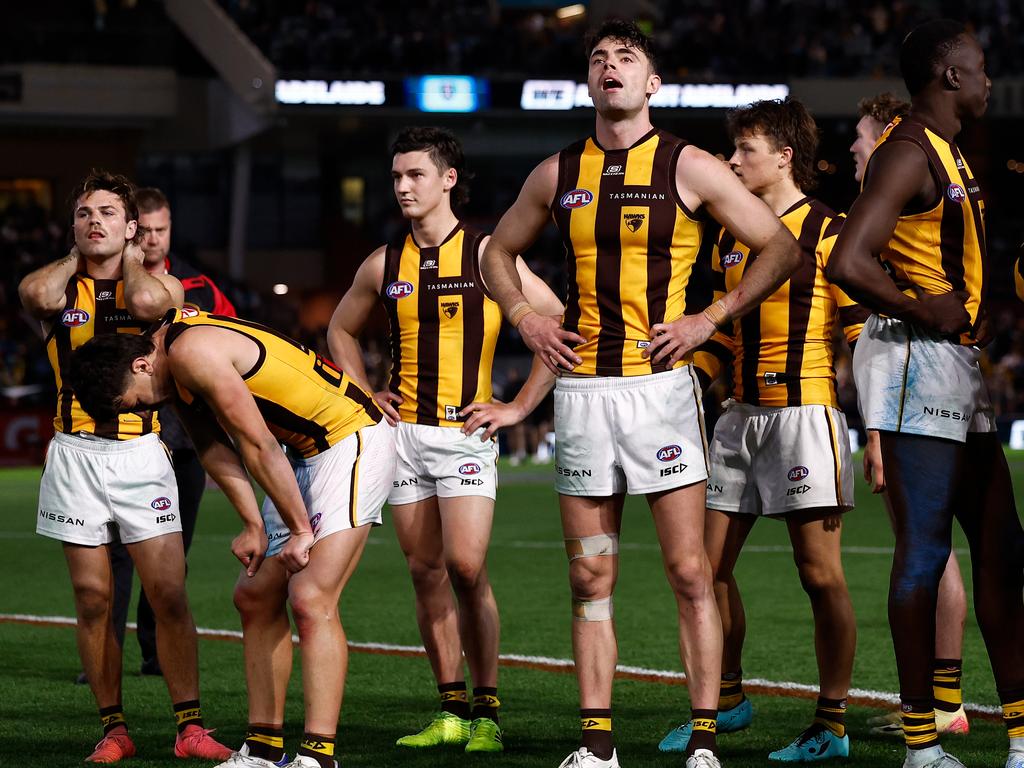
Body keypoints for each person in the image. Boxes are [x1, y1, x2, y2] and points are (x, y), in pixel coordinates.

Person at [478, 19, 802, 768]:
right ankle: (597, 745)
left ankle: (704, 739)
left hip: (660, 393)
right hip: (585, 396)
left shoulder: (688, 165)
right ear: (588, 83)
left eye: (626, 58)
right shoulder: (557, 172)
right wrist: (525, 316)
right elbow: (497, 251)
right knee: (590, 573)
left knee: (691, 571)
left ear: (653, 83)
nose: (609, 66)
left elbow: (781, 246)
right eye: (598, 58)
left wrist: (711, 316)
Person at [70, 307, 395, 768]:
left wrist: (299, 529)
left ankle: (319, 756)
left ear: (141, 365)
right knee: (254, 597)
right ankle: (262, 750)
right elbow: (211, 445)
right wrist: (253, 524)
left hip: (349, 438)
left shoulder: (192, 353)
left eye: (137, 402)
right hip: (302, 453)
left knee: (310, 595)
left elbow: (257, 443)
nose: (145, 409)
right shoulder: (166, 357)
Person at [327, 125, 564, 754]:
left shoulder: (489, 256)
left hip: (464, 436)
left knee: (465, 566)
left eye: (416, 176)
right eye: (397, 176)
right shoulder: (383, 263)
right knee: (425, 572)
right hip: (402, 439)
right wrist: (363, 392)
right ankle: (452, 709)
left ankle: (488, 710)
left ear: (448, 180)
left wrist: (518, 406)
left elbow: (559, 323)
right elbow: (339, 330)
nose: (402, 187)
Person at [827, 20, 1024, 768]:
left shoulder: (947, 151)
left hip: (955, 365)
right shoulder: (908, 151)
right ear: (948, 76)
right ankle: (921, 746)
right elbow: (849, 257)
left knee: (1003, 552)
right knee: (923, 554)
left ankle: (1019, 735)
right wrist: (918, 306)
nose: (986, 80)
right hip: (917, 361)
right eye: (977, 69)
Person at [658, 98, 862, 763]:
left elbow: (859, 335)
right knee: (704, 569)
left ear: (784, 155)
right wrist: (682, 375)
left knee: (820, 575)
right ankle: (731, 697)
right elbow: (722, 337)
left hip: (805, 416)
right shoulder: (729, 234)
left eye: (745, 150)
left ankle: (831, 723)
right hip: (738, 421)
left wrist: (880, 435)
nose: (731, 161)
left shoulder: (828, 227)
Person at [17, 170, 231, 763]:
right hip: (73, 454)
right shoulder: (58, 290)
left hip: (142, 454)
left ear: (132, 226)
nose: (95, 222)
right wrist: (78, 251)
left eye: (109, 213)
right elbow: (33, 295)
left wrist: (127, 255)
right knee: (92, 599)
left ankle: (189, 727)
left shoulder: (156, 290)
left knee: (168, 594)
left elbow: (148, 302)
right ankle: (113, 729)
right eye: (85, 213)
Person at [851, 94, 971, 738]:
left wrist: (873, 435)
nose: (854, 150)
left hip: (912, 378)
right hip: (911, 378)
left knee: (925, 546)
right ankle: (941, 700)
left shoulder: (893, 216)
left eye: (862, 138)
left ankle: (940, 709)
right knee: (927, 543)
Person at [101, 186, 238, 678]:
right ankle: (105, 656)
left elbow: (231, 342)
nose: (156, 240)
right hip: (127, 438)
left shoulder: (199, 285)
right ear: (134, 227)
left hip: (185, 444)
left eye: (164, 230)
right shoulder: (110, 282)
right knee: (116, 554)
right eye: (148, 230)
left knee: (172, 557)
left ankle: (156, 654)